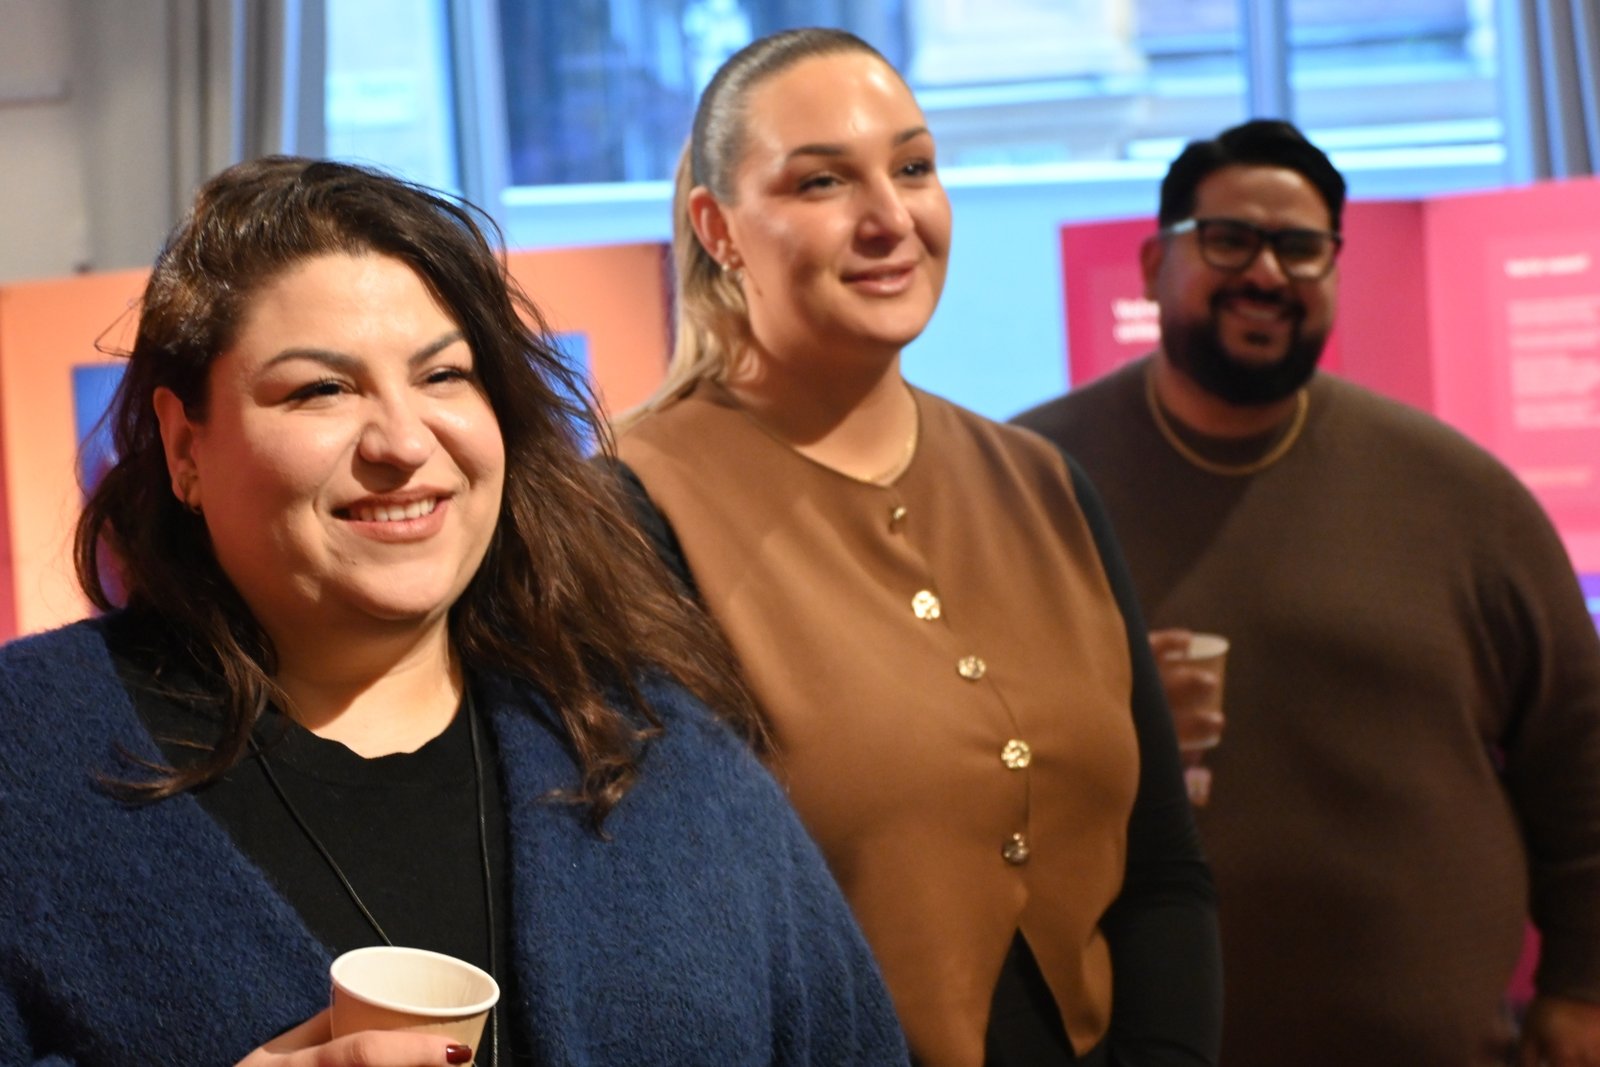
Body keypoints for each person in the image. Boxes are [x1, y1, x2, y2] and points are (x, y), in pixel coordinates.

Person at [0, 156, 911, 1066]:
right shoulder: (29, 750)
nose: (404, 441)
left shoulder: (660, 759)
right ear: (184, 446)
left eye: (443, 376)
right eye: (322, 389)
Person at [614, 27, 1221, 1067]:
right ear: (718, 228)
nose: (890, 218)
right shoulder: (632, 510)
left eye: (913, 168)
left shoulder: (1042, 483)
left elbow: (1162, 867)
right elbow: (660, 933)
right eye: (821, 181)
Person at [1013, 119, 1600, 1066]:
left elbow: (1581, 751)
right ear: (1153, 264)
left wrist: (1583, 985)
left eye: (1300, 247)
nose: (1266, 273)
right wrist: (1106, 720)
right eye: (1229, 240)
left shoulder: (1460, 495)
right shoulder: (1026, 482)